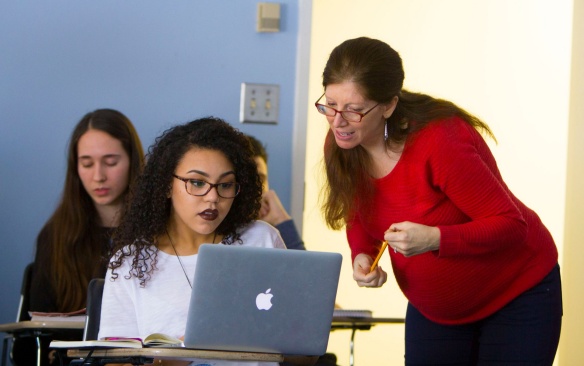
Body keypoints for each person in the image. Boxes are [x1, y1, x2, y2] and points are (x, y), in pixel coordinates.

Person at [316, 37, 562, 365]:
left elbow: (511, 225)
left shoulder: (439, 141)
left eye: (354, 110)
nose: (337, 120)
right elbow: (360, 212)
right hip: (436, 310)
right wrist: (363, 253)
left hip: (516, 292)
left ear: (388, 105)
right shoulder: (343, 144)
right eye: (329, 104)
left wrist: (435, 239)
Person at [98, 117, 286, 366]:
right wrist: (180, 355)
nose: (212, 198)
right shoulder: (129, 263)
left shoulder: (262, 239)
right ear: (166, 184)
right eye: (197, 183)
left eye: (225, 185)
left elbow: (305, 355)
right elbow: (114, 363)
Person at [11, 108, 145, 366]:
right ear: (76, 167)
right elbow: (37, 334)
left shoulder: (158, 234)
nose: (98, 176)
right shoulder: (55, 235)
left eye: (111, 162)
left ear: (133, 161)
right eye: (86, 163)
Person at [246, 135, 305, 250]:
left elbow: (304, 267)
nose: (255, 188)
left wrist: (280, 219)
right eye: (248, 179)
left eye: (261, 179)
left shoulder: (272, 235)